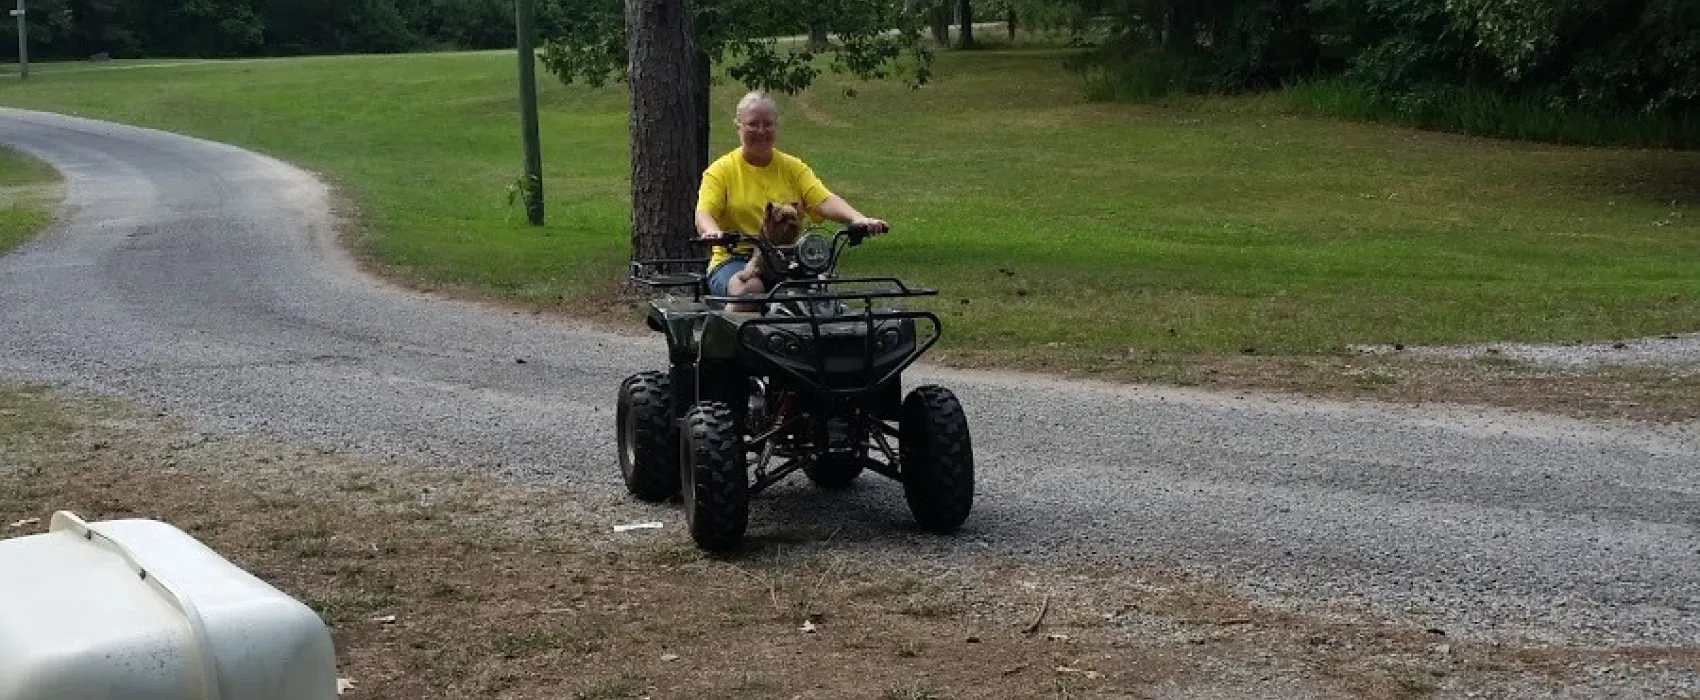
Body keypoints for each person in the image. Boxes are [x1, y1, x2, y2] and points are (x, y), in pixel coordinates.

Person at [694, 90, 888, 305]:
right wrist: (712, 232)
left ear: (776, 127)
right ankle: (736, 337)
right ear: (737, 125)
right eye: (752, 124)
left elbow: (822, 200)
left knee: (819, 298)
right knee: (750, 290)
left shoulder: (793, 167)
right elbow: (705, 213)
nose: (761, 131)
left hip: (786, 257)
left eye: (768, 124)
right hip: (735, 259)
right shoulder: (721, 171)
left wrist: (858, 219)